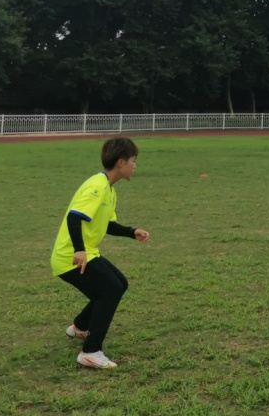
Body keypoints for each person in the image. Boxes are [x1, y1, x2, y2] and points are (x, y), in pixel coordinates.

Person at [50, 136, 151, 369]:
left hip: (87, 252)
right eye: (134, 160)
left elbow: (107, 224)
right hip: (70, 256)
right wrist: (79, 250)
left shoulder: (109, 190)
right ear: (121, 162)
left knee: (119, 283)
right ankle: (90, 352)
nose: (135, 165)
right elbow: (74, 217)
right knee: (110, 289)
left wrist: (131, 232)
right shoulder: (97, 185)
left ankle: (80, 327)